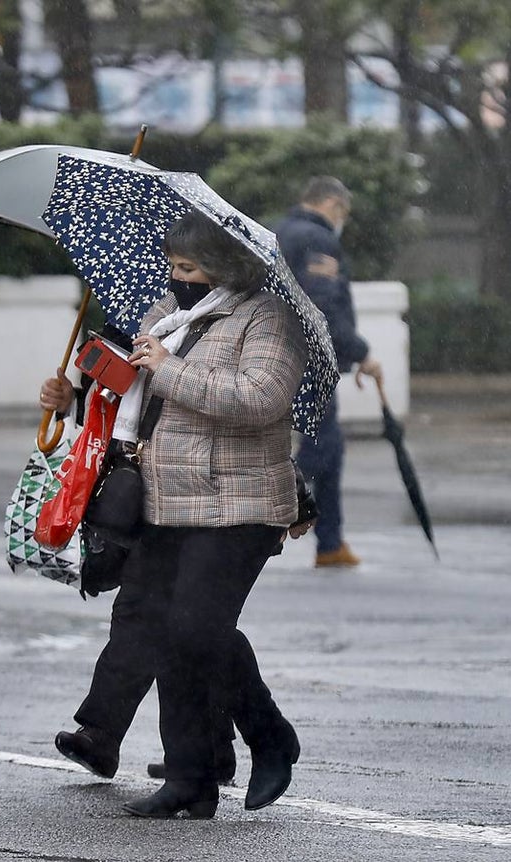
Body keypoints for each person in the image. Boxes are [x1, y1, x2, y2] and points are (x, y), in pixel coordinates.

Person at [40, 213, 309, 819]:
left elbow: (261, 399)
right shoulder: (167, 315)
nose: (175, 278)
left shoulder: (266, 317)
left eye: (188, 268)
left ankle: (269, 736)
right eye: (172, 265)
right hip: (163, 502)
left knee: (195, 628)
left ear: (226, 266)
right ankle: (189, 779)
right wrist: (78, 398)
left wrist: (169, 365)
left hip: (238, 504)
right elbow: (140, 403)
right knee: (166, 632)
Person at [276, 176, 384, 568]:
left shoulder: (279, 231)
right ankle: (274, 512)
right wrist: (359, 352)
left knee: (329, 450)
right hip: (310, 360)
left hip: (279, 354)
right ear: (334, 205)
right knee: (323, 449)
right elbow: (322, 308)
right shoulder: (318, 239)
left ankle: (331, 542)